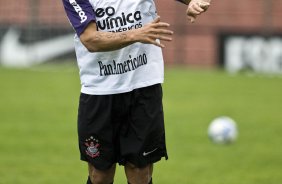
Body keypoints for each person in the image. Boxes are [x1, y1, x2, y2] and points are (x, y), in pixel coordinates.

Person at [62, 0, 211, 183]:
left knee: (140, 172)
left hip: (143, 85)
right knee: (100, 175)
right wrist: (136, 34)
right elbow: (91, 40)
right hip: (99, 90)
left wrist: (192, 1)